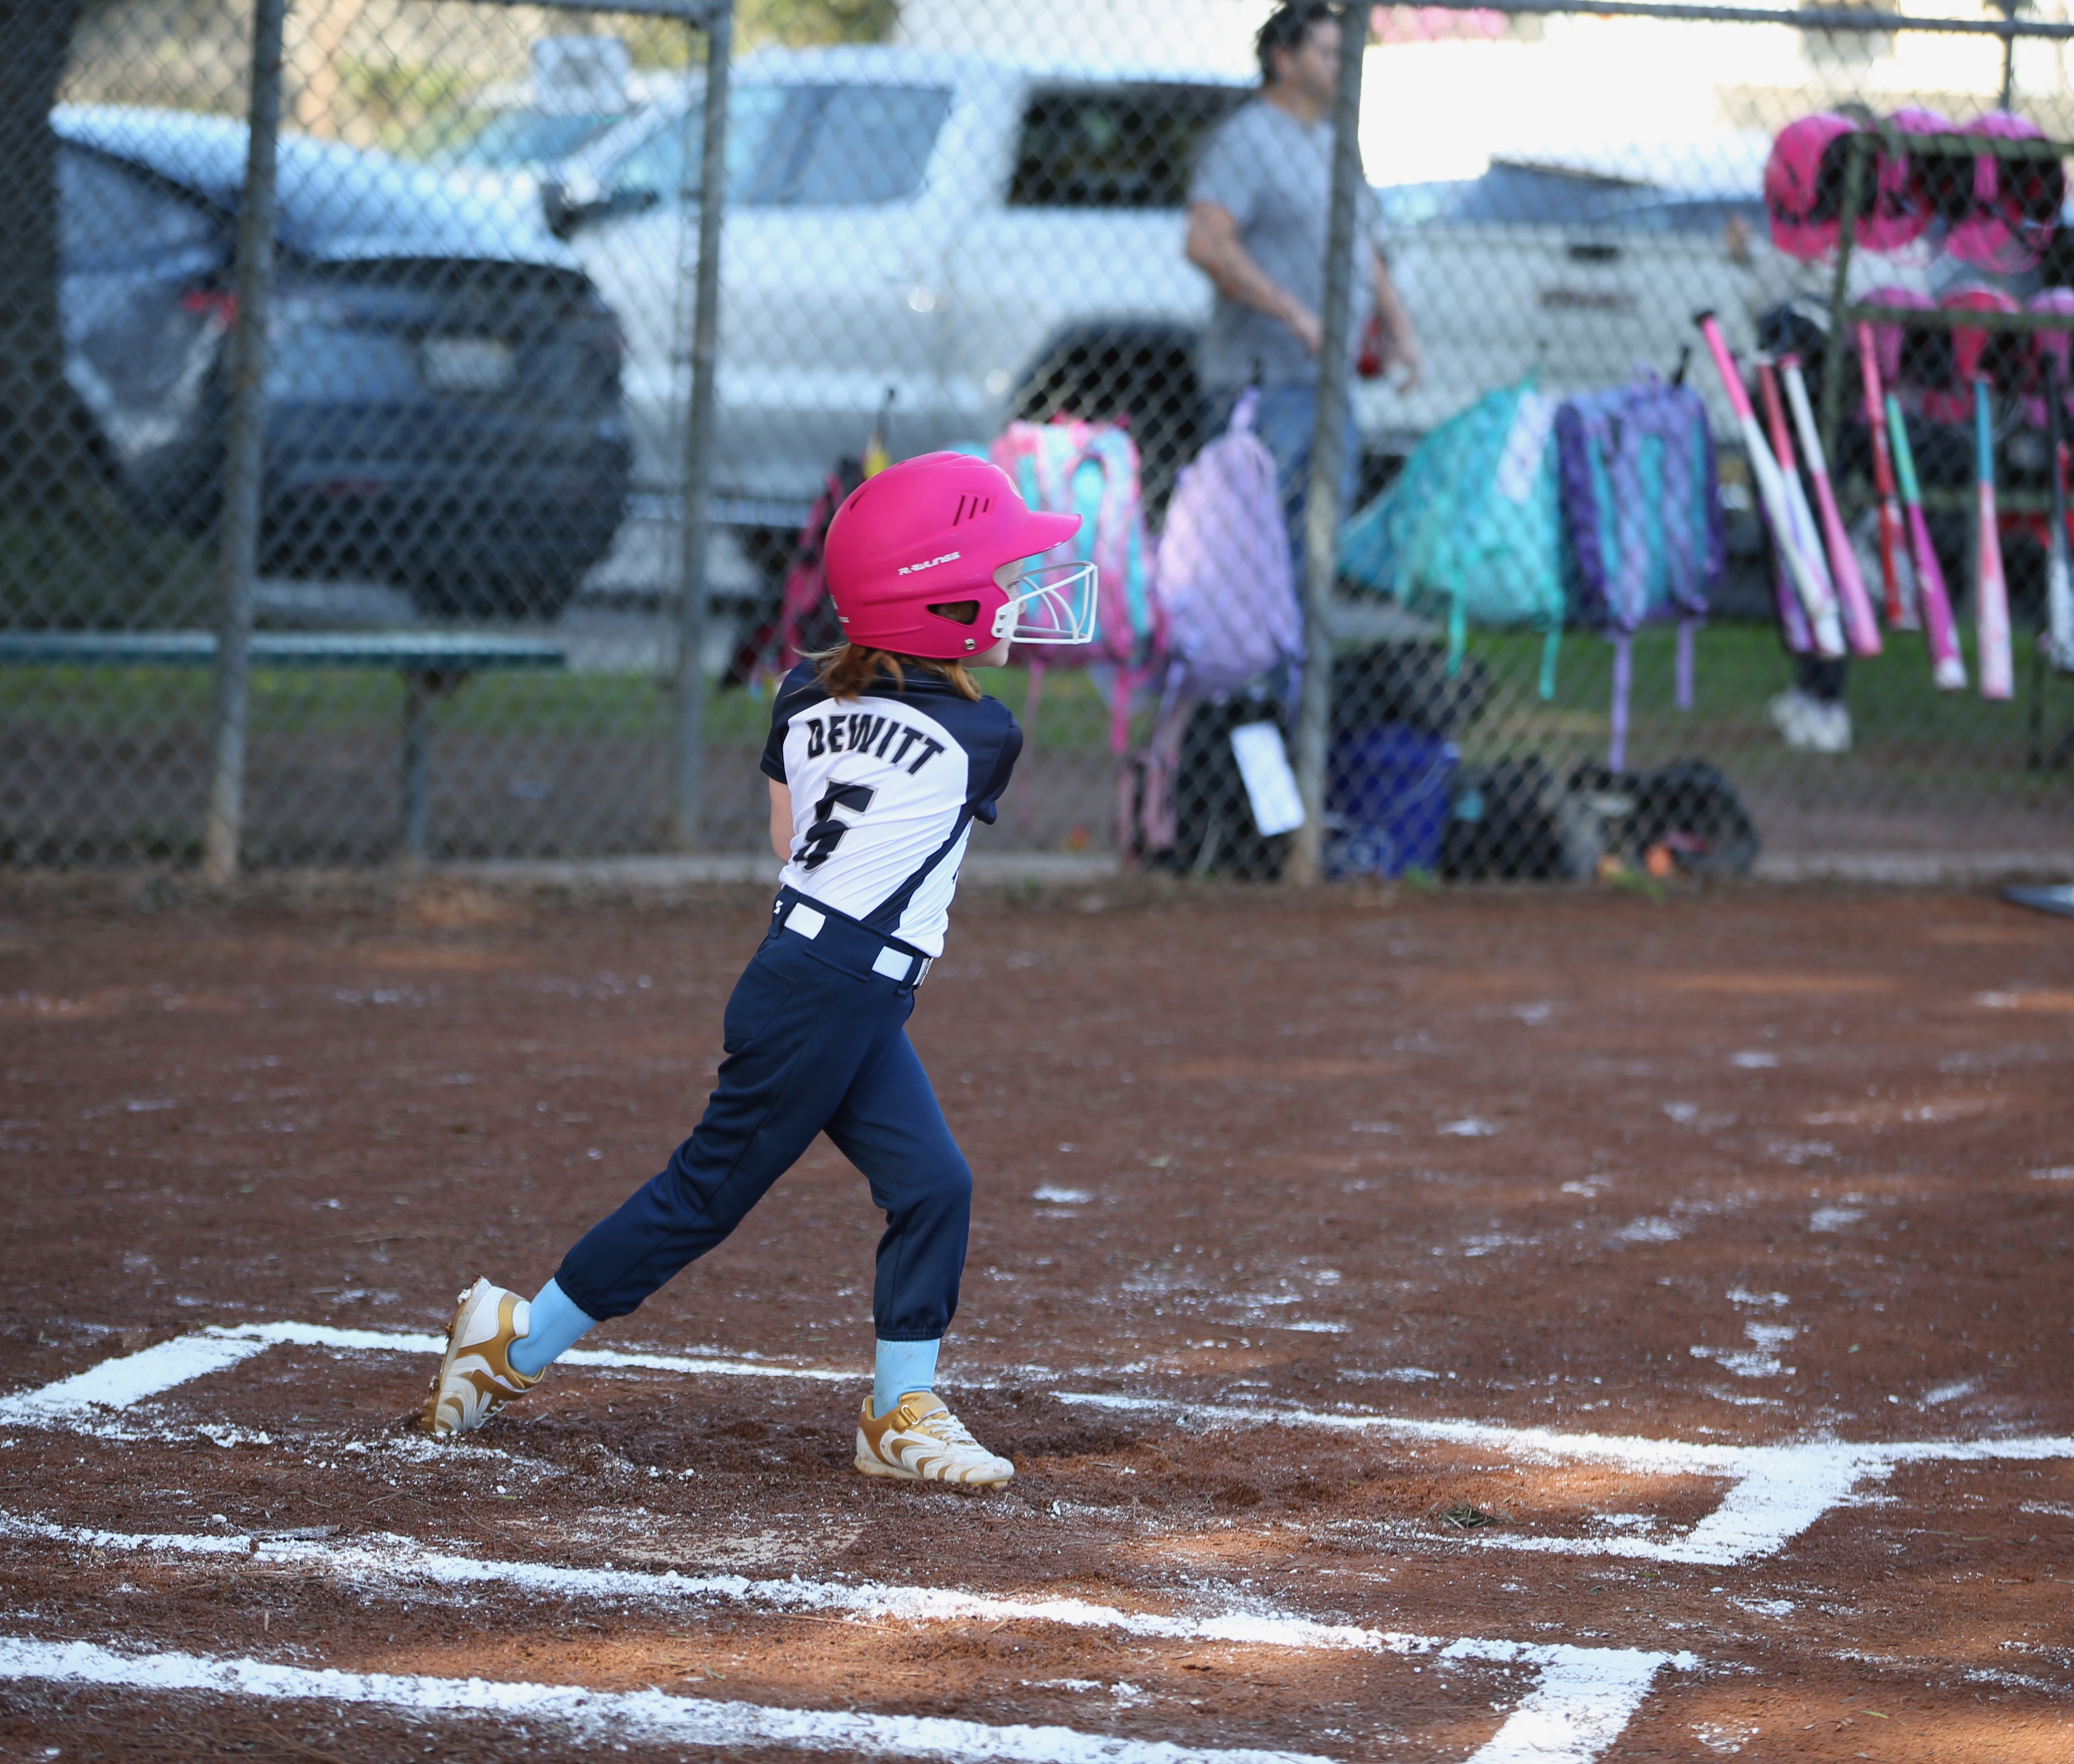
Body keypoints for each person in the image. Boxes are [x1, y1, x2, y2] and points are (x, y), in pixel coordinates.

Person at [420, 452, 1092, 1486]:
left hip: (824, 982)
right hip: (829, 994)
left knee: (933, 1184)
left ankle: (899, 1412)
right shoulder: (983, 731)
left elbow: (790, 839)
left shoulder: (802, 687)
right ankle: (517, 1340)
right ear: (936, 598)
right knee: (705, 1197)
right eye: (998, 578)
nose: (1015, 597)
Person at [1185, 0, 1421, 567]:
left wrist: (1398, 327)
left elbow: (1360, 242)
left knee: (1317, 545)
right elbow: (1207, 243)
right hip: (1263, 382)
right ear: (1284, 60)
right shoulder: (1247, 140)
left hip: (1330, 379)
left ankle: (1302, 631)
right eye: (1328, 52)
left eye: (1347, 52)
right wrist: (1294, 314)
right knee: (1253, 550)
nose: (1343, 64)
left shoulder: (1333, 139)